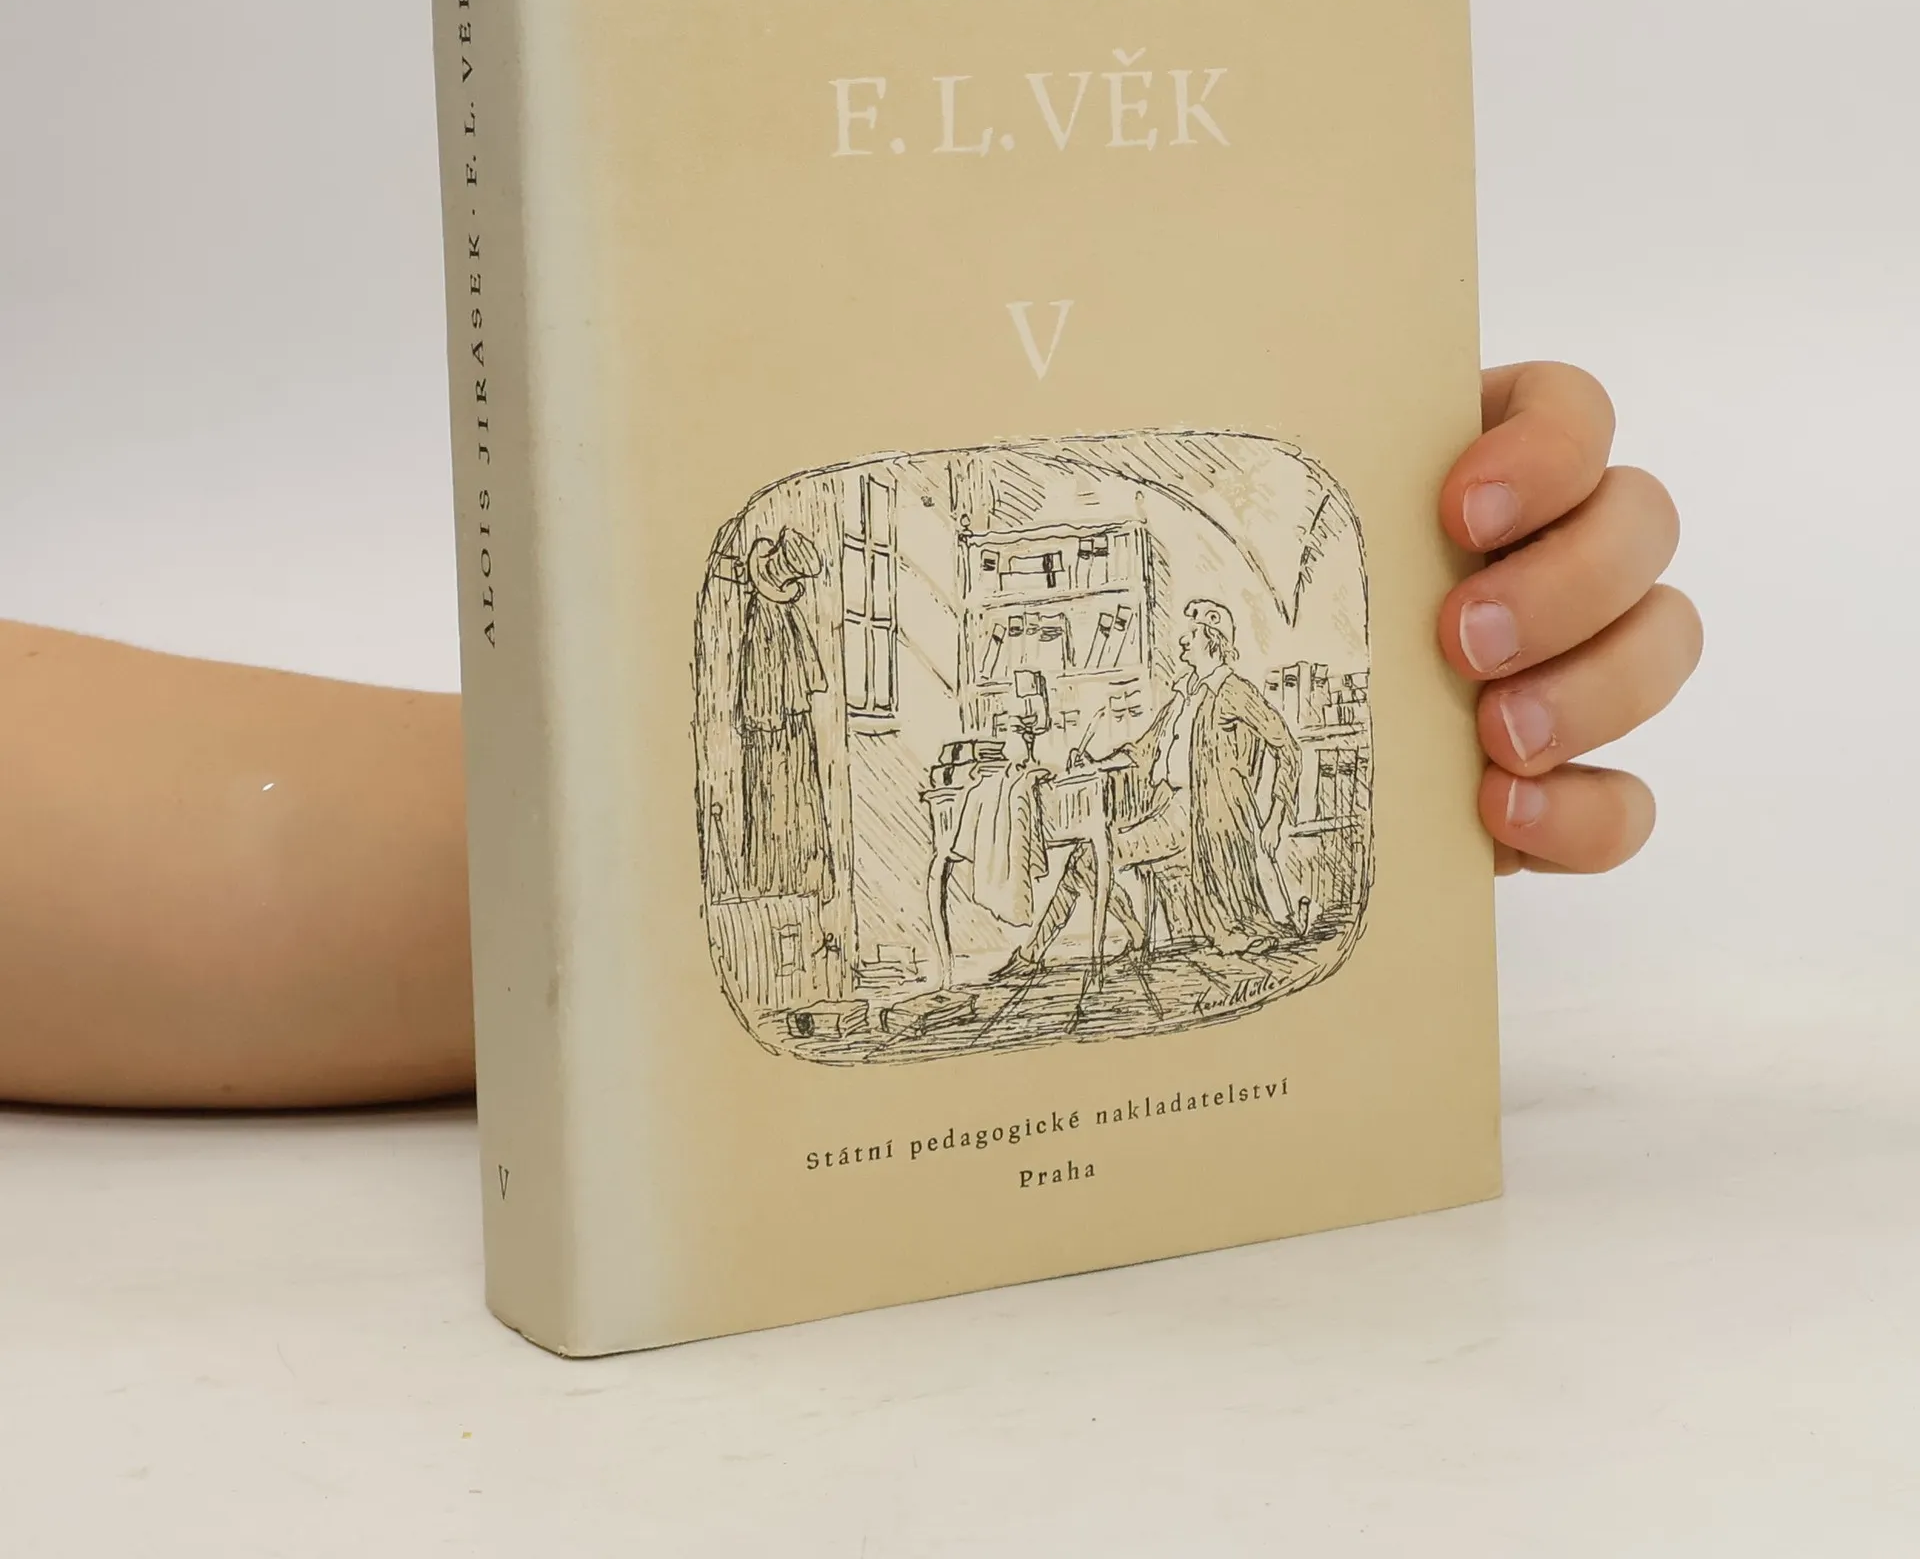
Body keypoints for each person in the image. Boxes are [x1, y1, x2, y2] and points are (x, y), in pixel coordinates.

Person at [0, 363, 1701, 1108]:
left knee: (1094, 863)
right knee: (1051, 859)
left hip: (1169, 829)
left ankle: (1065, 943)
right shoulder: (972, 685)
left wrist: (1387, 520)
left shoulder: (1210, 691)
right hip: (1101, 821)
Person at [991, 597, 1301, 979]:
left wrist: (1276, 816)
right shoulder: (1184, 697)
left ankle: (1039, 953)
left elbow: (1287, 747)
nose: (1183, 641)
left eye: (1192, 634)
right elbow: (1142, 751)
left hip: (1200, 818)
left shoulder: (1233, 691)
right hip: (1167, 808)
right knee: (1087, 860)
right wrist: (1096, 763)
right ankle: (1112, 939)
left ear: (1212, 641)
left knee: (1089, 859)